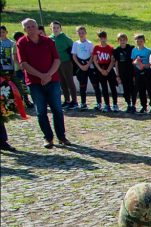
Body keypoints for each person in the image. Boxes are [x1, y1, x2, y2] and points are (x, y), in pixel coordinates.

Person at [16, 18, 69, 148]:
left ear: (38, 27)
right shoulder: (21, 43)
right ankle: (48, 138)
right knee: (41, 111)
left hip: (53, 80)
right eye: (28, 27)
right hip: (34, 83)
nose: (31, 29)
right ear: (24, 29)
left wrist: (48, 75)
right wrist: (41, 76)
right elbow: (23, 63)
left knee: (57, 110)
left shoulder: (48, 41)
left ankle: (62, 136)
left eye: (33, 26)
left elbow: (57, 60)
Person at [49, 22, 75, 108]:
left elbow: (73, 47)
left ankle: (74, 101)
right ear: (51, 29)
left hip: (66, 62)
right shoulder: (49, 39)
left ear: (60, 28)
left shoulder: (65, 38)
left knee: (69, 81)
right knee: (62, 82)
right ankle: (67, 100)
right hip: (55, 64)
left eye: (57, 28)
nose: (55, 29)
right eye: (53, 28)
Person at [92, 31, 119, 112]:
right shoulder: (96, 48)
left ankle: (115, 104)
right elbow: (95, 60)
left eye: (104, 37)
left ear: (106, 38)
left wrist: (107, 70)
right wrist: (101, 70)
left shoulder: (110, 48)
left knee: (113, 87)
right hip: (100, 68)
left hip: (109, 68)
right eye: (101, 38)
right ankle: (107, 104)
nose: (103, 39)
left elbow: (112, 61)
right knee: (104, 88)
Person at [132, 34, 151, 115]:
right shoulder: (134, 50)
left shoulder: (148, 51)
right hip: (138, 72)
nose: (139, 43)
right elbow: (133, 61)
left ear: (144, 41)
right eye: (137, 41)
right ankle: (144, 106)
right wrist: (136, 62)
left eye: (141, 41)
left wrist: (144, 65)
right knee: (141, 90)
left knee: (150, 90)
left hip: (146, 71)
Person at [70, 26, 94, 110]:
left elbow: (92, 56)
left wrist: (87, 65)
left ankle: (99, 103)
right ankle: (83, 103)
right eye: (79, 33)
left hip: (89, 65)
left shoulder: (90, 43)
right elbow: (74, 56)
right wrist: (80, 66)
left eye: (83, 33)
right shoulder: (76, 43)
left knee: (95, 84)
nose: (81, 34)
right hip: (80, 66)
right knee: (82, 86)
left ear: (86, 33)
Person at [114, 33, 137, 114]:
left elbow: (134, 60)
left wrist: (135, 74)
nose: (122, 41)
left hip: (131, 73)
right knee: (125, 90)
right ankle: (128, 104)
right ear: (118, 41)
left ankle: (133, 105)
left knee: (133, 89)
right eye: (120, 40)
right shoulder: (116, 50)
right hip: (122, 73)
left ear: (126, 40)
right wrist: (117, 75)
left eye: (124, 40)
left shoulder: (131, 48)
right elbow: (116, 63)